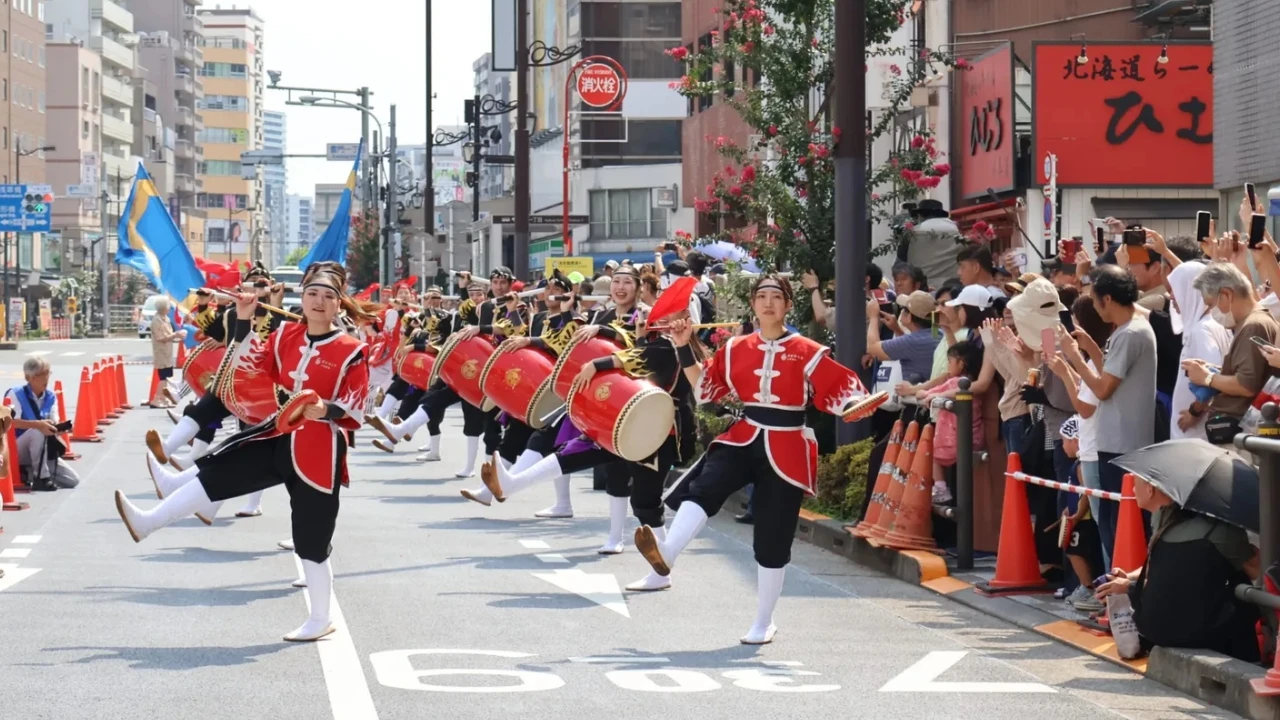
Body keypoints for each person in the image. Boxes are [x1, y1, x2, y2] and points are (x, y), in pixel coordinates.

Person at [114, 261, 371, 642]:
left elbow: (357, 407)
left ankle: (320, 618)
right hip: (274, 434)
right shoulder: (285, 336)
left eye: (328, 296)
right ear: (304, 298)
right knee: (219, 470)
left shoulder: (352, 351)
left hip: (318, 450)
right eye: (313, 293)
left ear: (339, 306)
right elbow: (245, 365)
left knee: (311, 539)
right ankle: (149, 521)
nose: (318, 301)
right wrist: (243, 319)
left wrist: (325, 410)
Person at [633, 274, 880, 645]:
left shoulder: (808, 350)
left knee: (772, 536)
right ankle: (667, 552)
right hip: (745, 434)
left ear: (787, 304)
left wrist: (852, 404)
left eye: (776, 296)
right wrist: (685, 346)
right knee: (705, 487)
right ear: (752, 304)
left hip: (789, 444)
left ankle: (764, 621)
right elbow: (704, 389)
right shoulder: (735, 348)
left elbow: (841, 391)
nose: (768, 303)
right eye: (761, 296)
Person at [1097, 472, 1261, 663]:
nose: (1132, 490)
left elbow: (1160, 570)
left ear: (1150, 489)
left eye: (1135, 485)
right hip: (1202, 630)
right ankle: (1250, 658)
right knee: (1242, 588)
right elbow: (1257, 572)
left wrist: (1129, 580)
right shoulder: (1221, 528)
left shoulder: (1162, 519)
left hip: (1154, 629)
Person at [1067, 265, 1156, 561]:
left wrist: (1074, 361)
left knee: (1118, 527)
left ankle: (1121, 600)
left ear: (1107, 299)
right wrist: (1091, 348)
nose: (1094, 306)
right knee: (1114, 523)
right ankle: (1116, 599)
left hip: (1121, 445)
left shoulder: (1130, 333)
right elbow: (1112, 376)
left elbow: (1104, 388)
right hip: (1122, 441)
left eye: (1094, 300)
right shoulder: (1130, 329)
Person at [1183, 262, 1280, 462]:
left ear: (1226, 294)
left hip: (1242, 437)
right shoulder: (1254, 321)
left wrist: (1207, 378)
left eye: (1211, 304)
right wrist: (1216, 371)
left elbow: (1247, 384)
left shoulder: (1253, 324)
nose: (1211, 310)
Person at [1165, 262, 1231, 441]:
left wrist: (1195, 412)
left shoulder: (1201, 331)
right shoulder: (1212, 324)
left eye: (1176, 290)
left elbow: (1212, 377)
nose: (1171, 297)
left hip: (1195, 436)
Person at [917, 340, 984, 503]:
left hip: (952, 439)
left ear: (961, 364)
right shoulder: (973, 384)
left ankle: (940, 488)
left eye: (950, 362)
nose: (948, 366)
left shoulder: (955, 383)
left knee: (931, 455)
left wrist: (919, 391)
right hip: (974, 436)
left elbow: (927, 394)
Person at [6, 356, 79, 491]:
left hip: (41, 450)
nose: (46, 378)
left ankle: (28, 472)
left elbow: (54, 419)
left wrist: (59, 428)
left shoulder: (50, 397)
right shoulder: (15, 394)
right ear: (29, 378)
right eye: (42, 374)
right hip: (16, 448)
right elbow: (10, 423)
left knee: (72, 480)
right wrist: (38, 424)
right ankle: (41, 478)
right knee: (36, 431)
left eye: (48, 373)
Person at [865, 290, 939, 384]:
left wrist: (873, 317)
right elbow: (911, 347)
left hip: (914, 396)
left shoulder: (913, 342)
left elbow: (872, 349)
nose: (901, 311)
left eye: (904, 309)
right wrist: (897, 329)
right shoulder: (937, 333)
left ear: (909, 317)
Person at [148, 297, 184, 408]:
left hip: (167, 352)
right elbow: (161, 337)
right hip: (161, 352)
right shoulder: (156, 321)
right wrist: (175, 335)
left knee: (168, 375)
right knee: (163, 376)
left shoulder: (166, 319)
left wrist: (177, 336)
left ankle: (163, 398)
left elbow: (169, 334)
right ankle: (157, 398)